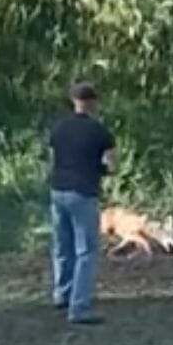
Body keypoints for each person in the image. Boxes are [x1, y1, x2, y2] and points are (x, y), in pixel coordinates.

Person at [47, 81, 117, 325]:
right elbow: (112, 164)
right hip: (84, 192)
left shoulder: (58, 128)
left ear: (73, 101)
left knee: (62, 245)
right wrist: (99, 169)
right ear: (93, 102)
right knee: (85, 251)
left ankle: (62, 294)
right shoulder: (99, 131)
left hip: (58, 190)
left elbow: (52, 159)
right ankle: (79, 307)